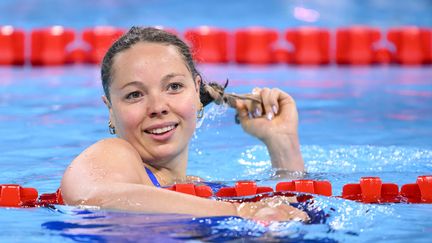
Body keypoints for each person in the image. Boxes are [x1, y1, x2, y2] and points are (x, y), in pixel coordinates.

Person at [60, 26, 306, 222]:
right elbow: (93, 197)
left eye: (174, 87)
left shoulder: (196, 187)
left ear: (197, 93)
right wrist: (241, 212)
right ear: (111, 111)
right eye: (135, 94)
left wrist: (282, 143)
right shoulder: (114, 153)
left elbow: (294, 212)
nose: (158, 107)